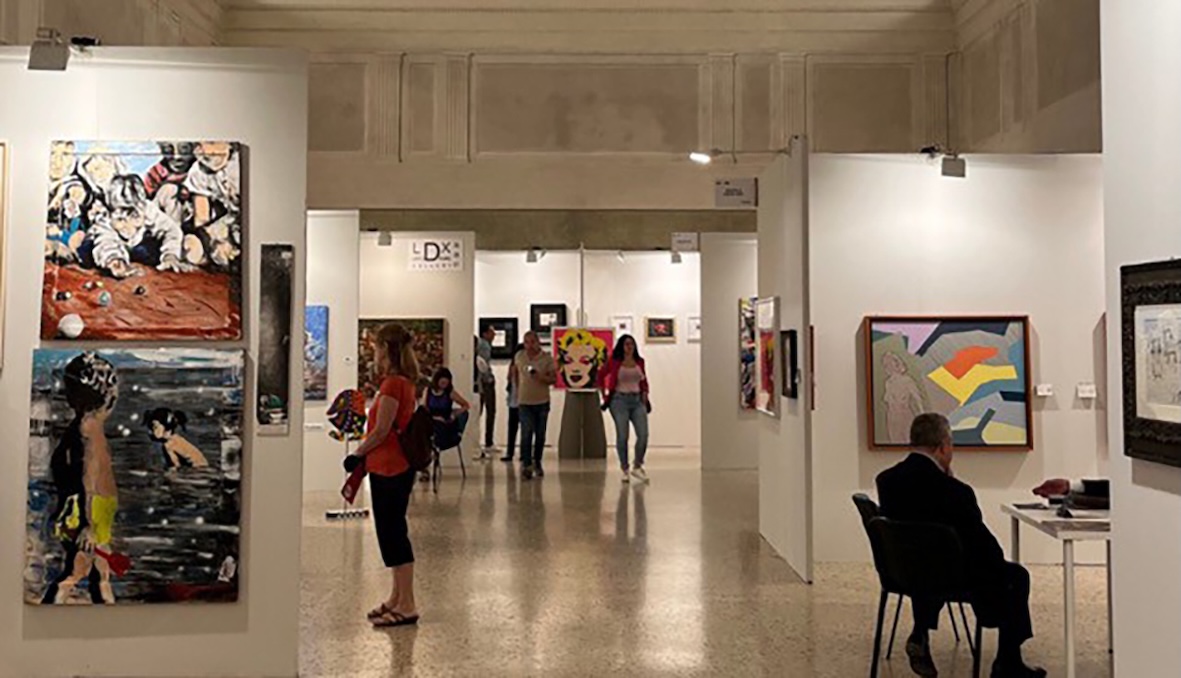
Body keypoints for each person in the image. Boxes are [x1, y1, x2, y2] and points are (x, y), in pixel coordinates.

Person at [876, 413, 1045, 678]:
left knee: (927, 564)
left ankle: (921, 631)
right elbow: (983, 546)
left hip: (901, 573)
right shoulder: (955, 491)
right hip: (949, 577)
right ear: (943, 446)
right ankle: (1007, 662)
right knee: (1016, 576)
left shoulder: (887, 481)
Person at [345, 323, 421, 628]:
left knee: (393, 534)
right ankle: (397, 597)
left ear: (386, 349)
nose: (374, 352)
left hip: (390, 466)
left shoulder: (392, 385)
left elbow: (381, 429)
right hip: (392, 465)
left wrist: (357, 453)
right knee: (391, 534)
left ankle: (408, 603)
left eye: (377, 346)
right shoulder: (404, 382)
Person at [43, 352, 120, 605]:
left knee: (101, 572)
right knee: (76, 573)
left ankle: (110, 616)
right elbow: (89, 476)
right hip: (90, 511)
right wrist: (89, 524)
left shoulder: (81, 426)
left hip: (89, 508)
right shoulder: (90, 430)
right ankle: (50, 608)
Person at [600, 334, 651, 484]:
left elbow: (644, 380)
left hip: (637, 401)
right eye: (627, 344)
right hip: (619, 401)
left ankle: (637, 466)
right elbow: (601, 375)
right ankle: (625, 468)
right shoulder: (615, 362)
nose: (629, 347)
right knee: (623, 436)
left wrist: (645, 395)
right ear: (621, 346)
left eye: (632, 344)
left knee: (643, 435)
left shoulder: (639, 362)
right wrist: (604, 394)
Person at [510, 331, 557, 480]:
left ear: (538, 342)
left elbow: (553, 379)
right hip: (524, 402)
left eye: (532, 342)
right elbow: (515, 373)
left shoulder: (547, 358)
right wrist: (517, 391)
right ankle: (527, 465)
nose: (529, 345)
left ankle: (537, 462)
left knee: (540, 435)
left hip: (541, 402)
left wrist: (540, 377)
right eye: (526, 342)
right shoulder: (519, 357)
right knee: (526, 433)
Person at [426, 367, 472, 452]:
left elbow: (466, 405)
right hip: (430, 421)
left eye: (446, 384)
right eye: (442, 383)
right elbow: (424, 409)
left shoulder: (449, 393)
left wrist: (455, 413)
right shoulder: (428, 391)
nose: (444, 385)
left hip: (444, 422)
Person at [475, 327, 497, 459]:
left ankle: (486, 442)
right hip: (485, 383)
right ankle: (488, 442)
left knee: (483, 412)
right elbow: (482, 366)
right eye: (492, 332)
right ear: (485, 333)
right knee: (489, 411)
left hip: (482, 382)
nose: (494, 335)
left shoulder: (484, 345)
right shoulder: (484, 346)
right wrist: (488, 379)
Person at [500, 343, 524, 463]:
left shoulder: (522, 367)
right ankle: (510, 452)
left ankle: (523, 453)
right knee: (513, 427)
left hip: (523, 401)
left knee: (525, 428)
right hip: (514, 401)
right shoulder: (513, 366)